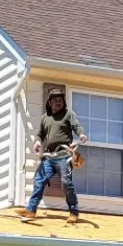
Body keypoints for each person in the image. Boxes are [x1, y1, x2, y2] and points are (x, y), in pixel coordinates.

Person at [22, 88, 87, 223]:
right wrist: (38, 143)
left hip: (64, 155)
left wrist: (81, 134)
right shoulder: (45, 118)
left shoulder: (69, 114)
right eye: (55, 100)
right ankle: (31, 211)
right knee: (39, 181)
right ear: (49, 102)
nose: (58, 102)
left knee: (66, 183)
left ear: (63, 102)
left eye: (60, 100)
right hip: (49, 156)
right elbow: (40, 134)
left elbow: (76, 126)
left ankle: (74, 212)